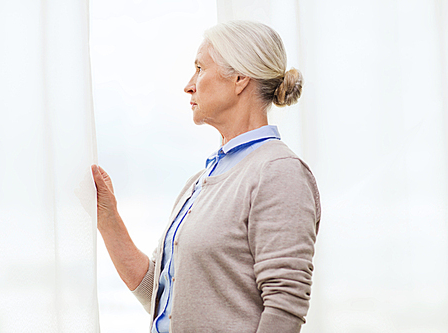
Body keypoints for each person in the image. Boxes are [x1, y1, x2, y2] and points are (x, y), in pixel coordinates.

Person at [92, 20, 320, 333]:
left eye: (200, 68)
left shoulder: (278, 172)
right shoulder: (200, 181)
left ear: (240, 78)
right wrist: (107, 218)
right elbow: (156, 292)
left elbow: (285, 306)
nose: (189, 84)